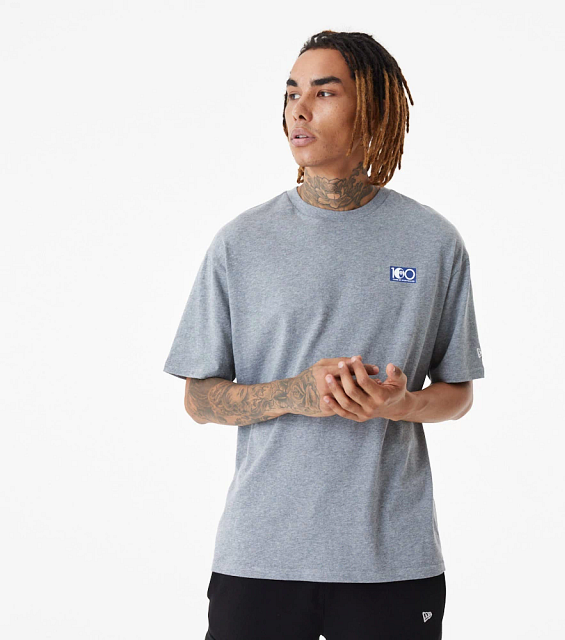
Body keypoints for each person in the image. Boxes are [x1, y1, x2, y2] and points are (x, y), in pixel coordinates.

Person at [163, 29, 485, 640]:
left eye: (324, 92)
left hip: (391, 561)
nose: (299, 110)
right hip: (260, 557)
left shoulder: (433, 242)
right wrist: (294, 393)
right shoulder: (241, 242)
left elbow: (459, 393)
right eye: (292, 93)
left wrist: (401, 404)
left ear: (372, 106)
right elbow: (198, 399)